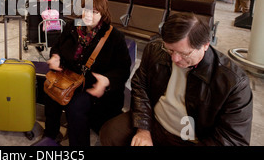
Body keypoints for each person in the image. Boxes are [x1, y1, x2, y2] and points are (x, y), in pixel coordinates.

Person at [100, 12, 253, 146]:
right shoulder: (156, 50)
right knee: (111, 132)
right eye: (170, 50)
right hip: (155, 122)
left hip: (193, 138)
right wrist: (143, 128)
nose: (175, 59)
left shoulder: (234, 83)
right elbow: (140, 86)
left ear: (205, 45)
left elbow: (232, 139)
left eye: (184, 53)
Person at [42, 0, 131, 146]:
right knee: (51, 92)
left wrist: (107, 80)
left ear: (103, 14)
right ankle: (50, 135)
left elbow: (123, 69)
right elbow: (57, 46)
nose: (88, 15)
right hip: (69, 78)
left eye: (94, 12)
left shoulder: (114, 37)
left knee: (75, 107)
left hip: (93, 85)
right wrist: (56, 56)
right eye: (86, 9)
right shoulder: (72, 26)